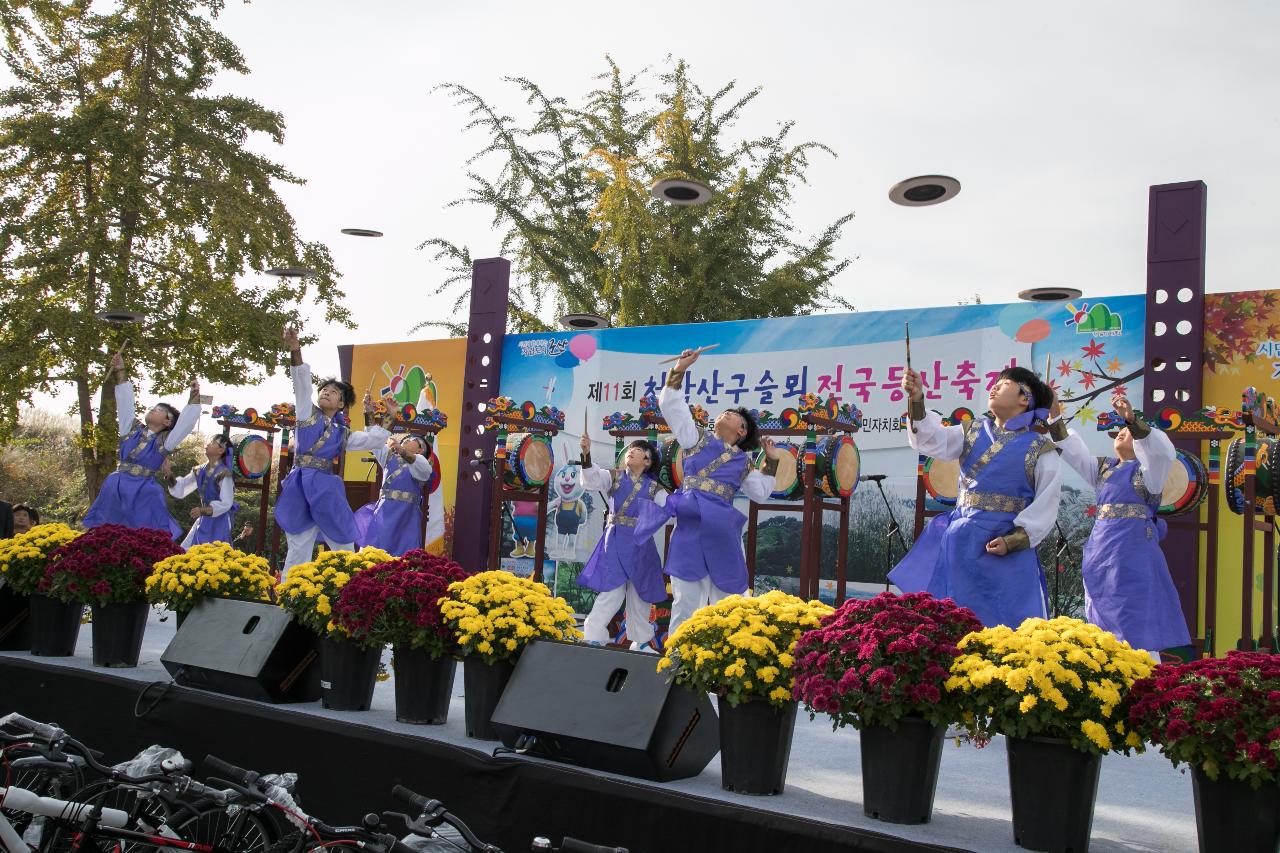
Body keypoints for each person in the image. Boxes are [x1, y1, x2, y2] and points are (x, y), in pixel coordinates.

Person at [888, 365, 1062, 628]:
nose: (994, 386)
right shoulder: (971, 431)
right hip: (962, 544)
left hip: (1004, 549)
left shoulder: (1040, 448)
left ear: (1024, 399)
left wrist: (1014, 540)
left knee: (1008, 626)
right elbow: (929, 440)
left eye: (1004, 384)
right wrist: (916, 399)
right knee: (953, 623)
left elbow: (1046, 504)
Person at [635, 347, 784, 637]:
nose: (725, 414)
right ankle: (676, 666)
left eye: (733, 416)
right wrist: (680, 367)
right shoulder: (696, 438)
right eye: (725, 411)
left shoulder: (742, 461)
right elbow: (672, 406)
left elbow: (761, 492)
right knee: (685, 602)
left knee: (729, 604)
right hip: (690, 528)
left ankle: (723, 664)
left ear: (741, 433)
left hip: (724, 534)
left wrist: (773, 459)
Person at [1049, 392, 1191, 658]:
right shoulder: (1103, 469)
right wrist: (1054, 415)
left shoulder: (1150, 474)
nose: (1122, 433)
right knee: (1102, 617)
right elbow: (1071, 450)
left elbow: (1160, 453)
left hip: (1134, 555)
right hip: (1101, 554)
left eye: (1128, 431)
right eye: (1120, 431)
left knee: (1137, 614)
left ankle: (1144, 675)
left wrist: (1131, 419)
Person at [274, 327, 393, 576]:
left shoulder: (341, 432)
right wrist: (295, 349)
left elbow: (372, 440)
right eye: (324, 389)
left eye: (334, 391)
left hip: (327, 489)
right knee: (299, 545)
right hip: (300, 485)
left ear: (341, 404)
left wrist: (391, 417)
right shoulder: (307, 414)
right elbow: (301, 385)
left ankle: (351, 591)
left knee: (343, 543)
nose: (326, 392)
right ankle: (289, 597)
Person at [83, 351, 201, 538]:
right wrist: (120, 371)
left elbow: (185, 425)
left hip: (144, 491)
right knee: (106, 533)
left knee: (143, 536)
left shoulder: (165, 441)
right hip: (117, 485)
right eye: (153, 408)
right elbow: (125, 405)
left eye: (159, 410)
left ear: (167, 422)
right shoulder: (130, 429)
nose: (153, 410)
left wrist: (194, 396)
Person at [577, 432, 667, 651]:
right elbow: (591, 479)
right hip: (615, 541)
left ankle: (641, 641)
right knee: (611, 589)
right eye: (629, 449)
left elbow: (670, 508)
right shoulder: (614, 477)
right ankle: (593, 634)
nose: (630, 452)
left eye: (637, 450)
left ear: (647, 461)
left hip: (640, 545)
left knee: (639, 592)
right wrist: (586, 454)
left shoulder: (655, 488)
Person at [353, 433, 434, 556]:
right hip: (385, 511)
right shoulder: (389, 457)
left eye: (412, 439)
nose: (407, 440)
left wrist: (400, 450)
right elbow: (374, 441)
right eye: (405, 439)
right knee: (376, 548)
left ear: (420, 450)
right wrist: (373, 420)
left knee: (406, 553)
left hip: (408, 515)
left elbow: (424, 472)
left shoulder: (421, 461)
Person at [169, 435, 239, 549]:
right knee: (190, 551)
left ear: (221, 450)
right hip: (204, 518)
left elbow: (226, 503)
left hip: (219, 522)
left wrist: (203, 510)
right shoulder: (199, 470)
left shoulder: (224, 474)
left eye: (212, 442)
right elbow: (181, 487)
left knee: (214, 554)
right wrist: (169, 475)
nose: (208, 444)